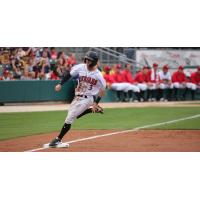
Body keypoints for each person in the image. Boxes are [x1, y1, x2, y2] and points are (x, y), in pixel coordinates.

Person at [48, 51, 106, 148]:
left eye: (90, 60)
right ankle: (91, 110)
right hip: (77, 97)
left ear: (94, 62)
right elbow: (69, 75)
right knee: (73, 116)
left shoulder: (98, 75)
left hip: (87, 98)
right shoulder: (80, 67)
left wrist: (96, 102)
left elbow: (103, 89)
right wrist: (60, 84)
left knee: (70, 118)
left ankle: (58, 139)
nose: (87, 61)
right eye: (86, 59)